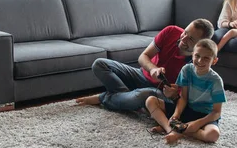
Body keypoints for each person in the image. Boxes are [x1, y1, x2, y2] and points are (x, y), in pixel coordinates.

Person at [75, 19, 215, 111]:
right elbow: (143, 57)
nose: (183, 38)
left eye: (190, 38)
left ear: (201, 44)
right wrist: (153, 69)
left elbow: (186, 100)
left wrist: (173, 95)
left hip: (158, 92)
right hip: (141, 74)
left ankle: (104, 98)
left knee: (144, 95)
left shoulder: (199, 62)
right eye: (185, 32)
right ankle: (124, 98)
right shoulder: (171, 31)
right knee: (99, 64)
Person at [145, 39, 225, 144]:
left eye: (206, 58)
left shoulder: (216, 81)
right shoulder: (187, 70)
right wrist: (176, 115)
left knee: (213, 134)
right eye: (197, 56)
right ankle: (170, 129)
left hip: (205, 115)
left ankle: (178, 130)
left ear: (214, 61)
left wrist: (197, 124)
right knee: (150, 101)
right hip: (186, 109)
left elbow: (217, 112)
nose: (200, 61)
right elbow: (183, 98)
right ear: (192, 55)